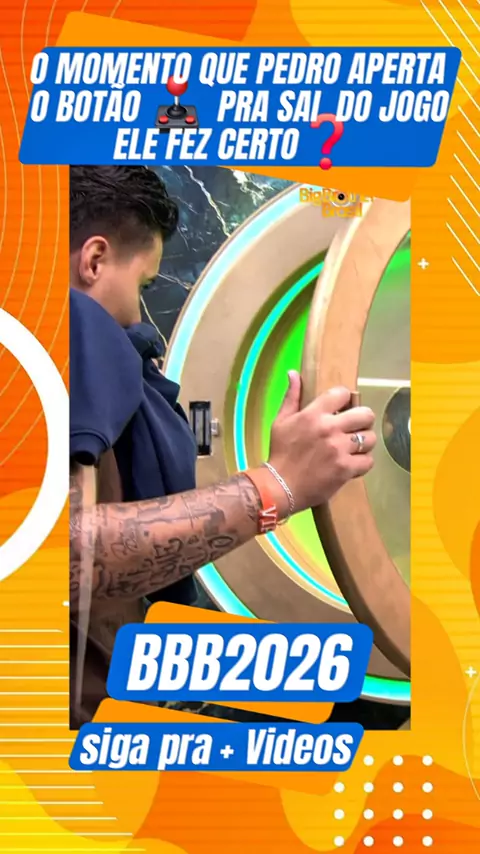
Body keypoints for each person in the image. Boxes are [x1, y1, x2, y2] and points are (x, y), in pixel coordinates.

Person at [69, 165, 376, 727]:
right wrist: (279, 484)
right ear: (94, 261)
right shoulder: (78, 324)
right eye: (143, 287)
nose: (139, 317)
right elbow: (63, 554)